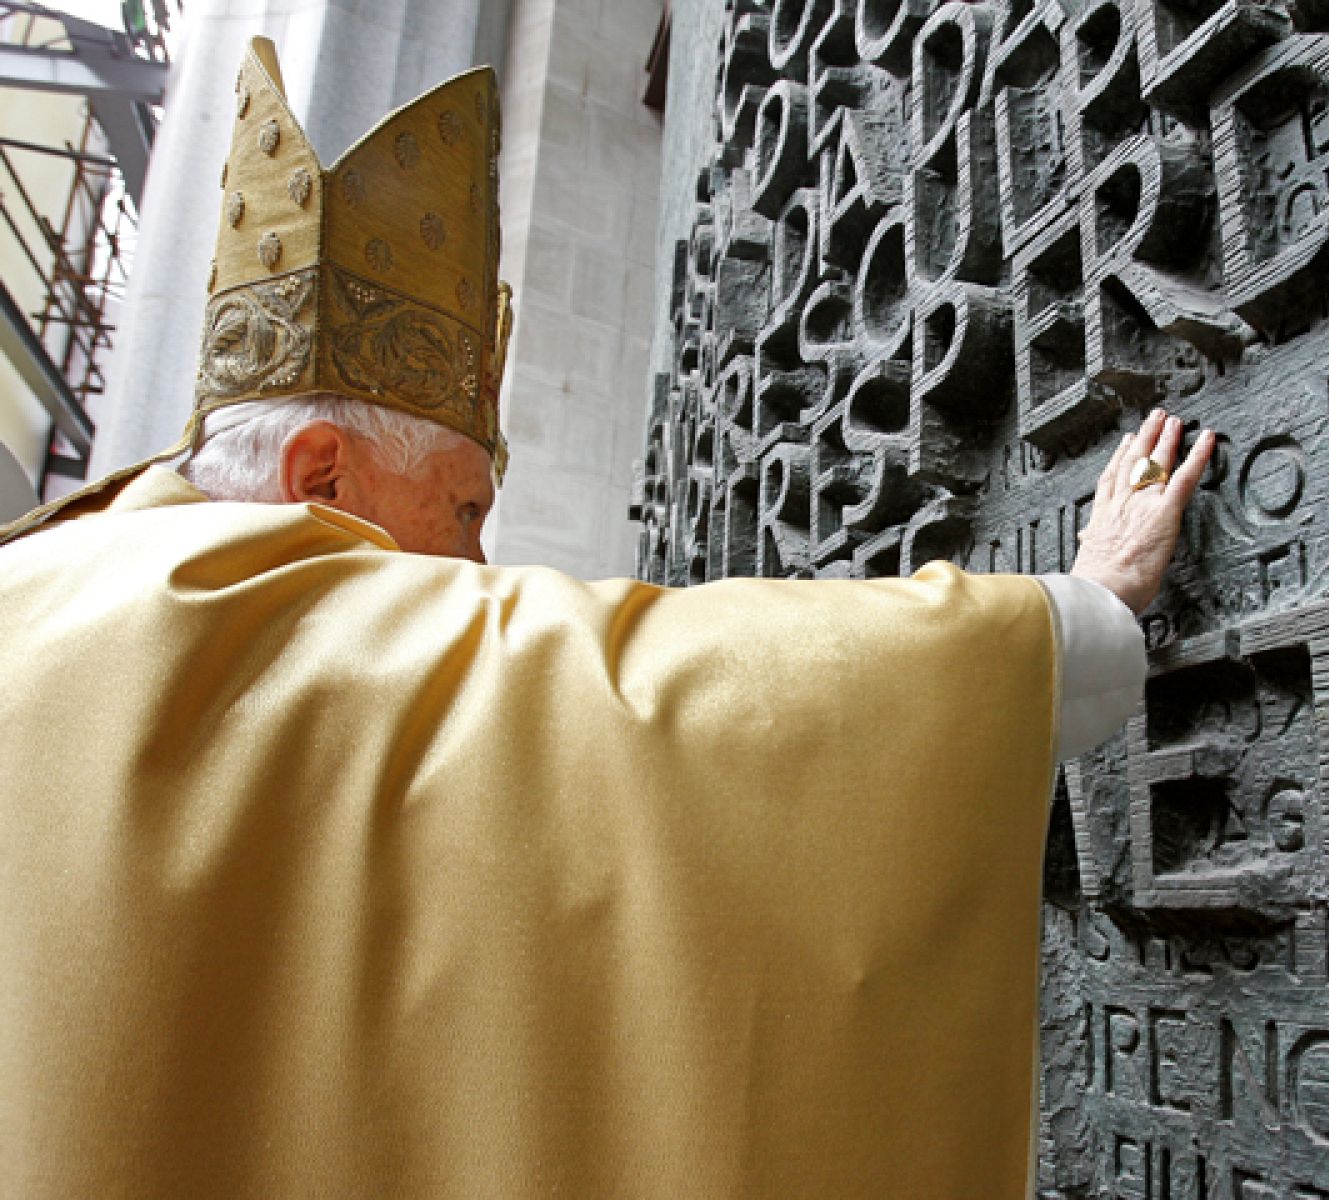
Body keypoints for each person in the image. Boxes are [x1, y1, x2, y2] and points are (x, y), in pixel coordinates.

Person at [0, 38, 1212, 1199]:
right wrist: (1076, 615)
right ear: (321, 473)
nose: (479, 555)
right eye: (464, 506)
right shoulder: (253, 618)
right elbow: (661, 710)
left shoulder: (46, 590)